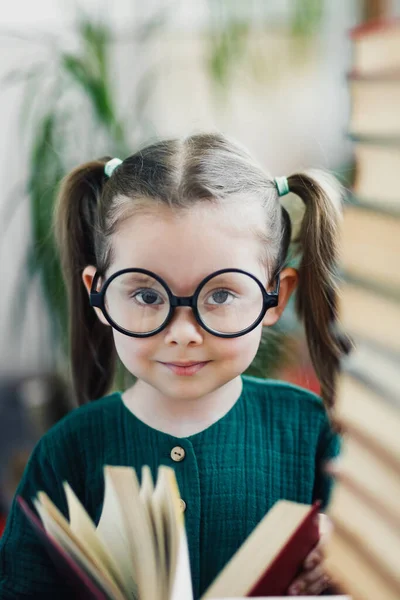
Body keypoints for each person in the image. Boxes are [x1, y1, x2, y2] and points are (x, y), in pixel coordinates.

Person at [0, 132, 349, 599]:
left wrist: (342, 555)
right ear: (99, 295)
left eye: (221, 294)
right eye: (146, 295)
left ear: (274, 298)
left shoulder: (313, 435)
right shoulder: (67, 453)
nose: (183, 331)